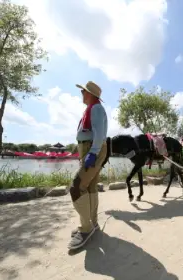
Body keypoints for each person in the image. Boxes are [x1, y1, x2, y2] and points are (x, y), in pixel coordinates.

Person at [68, 81, 108, 250]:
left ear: (90, 93)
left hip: (94, 148)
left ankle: (86, 229)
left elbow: (100, 133)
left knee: (76, 187)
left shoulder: (97, 108)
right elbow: (87, 133)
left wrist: (93, 152)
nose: (81, 94)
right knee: (90, 187)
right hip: (89, 148)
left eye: (83, 91)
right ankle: (93, 223)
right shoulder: (91, 108)